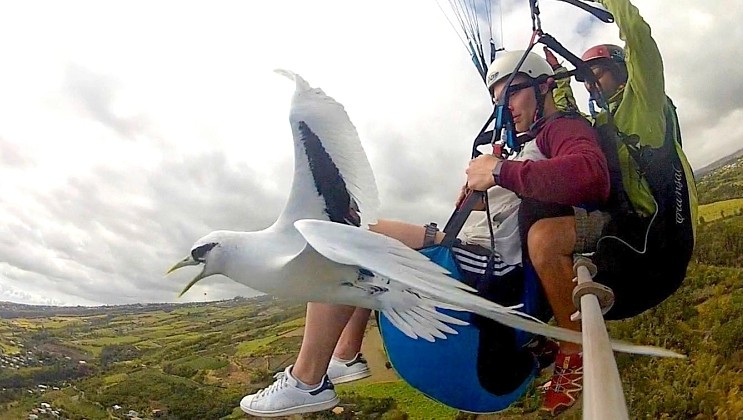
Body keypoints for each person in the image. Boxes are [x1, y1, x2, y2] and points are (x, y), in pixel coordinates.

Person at [238, 50, 609, 418]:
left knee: (342, 245)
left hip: (485, 263)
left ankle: (307, 381)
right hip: (467, 245)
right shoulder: (526, 142)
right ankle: (345, 356)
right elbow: (523, 200)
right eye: (497, 99)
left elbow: (591, 174)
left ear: (543, 87)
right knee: (353, 233)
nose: (504, 106)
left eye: (513, 92)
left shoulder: (560, 128)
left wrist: (499, 173)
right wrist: (486, 194)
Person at [491, 0, 699, 415]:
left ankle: (574, 352)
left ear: (622, 72)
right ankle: (550, 322)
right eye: (588, 78)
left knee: (546, 239)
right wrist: (553, 73)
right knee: (534, 209)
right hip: (625, 227)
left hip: (655, 240)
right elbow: (567, 114)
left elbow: (639, 40)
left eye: (599, 73)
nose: (593, 83)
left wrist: (613, 3)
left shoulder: (645, 108)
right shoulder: (603, 120)